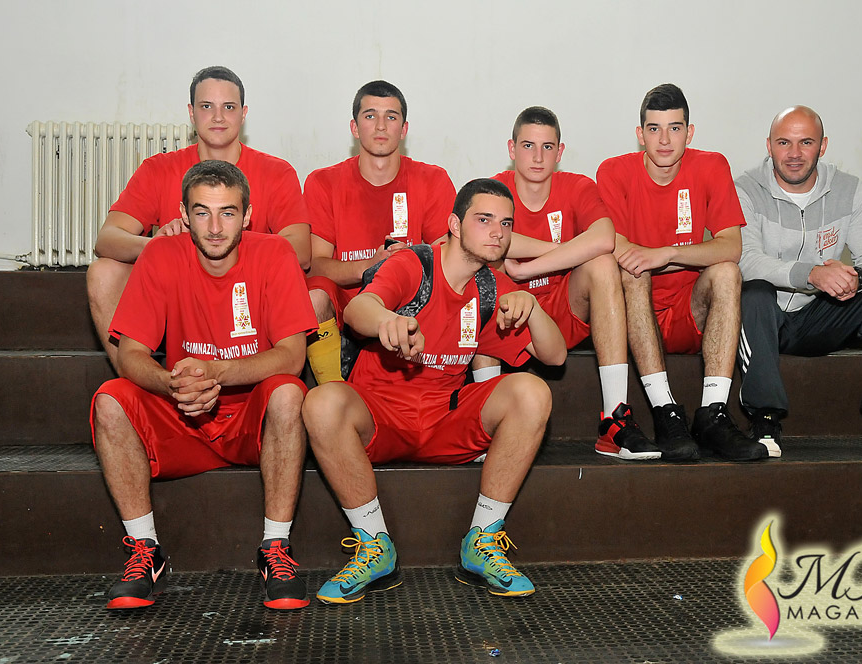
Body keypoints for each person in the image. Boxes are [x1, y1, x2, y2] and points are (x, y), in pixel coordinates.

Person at [302, 178, 567, 603]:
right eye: (484, 220)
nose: (497, 232)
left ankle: (482, 539)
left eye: (505, 223)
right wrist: (388, 321)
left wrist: (533, 307)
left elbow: (554, 356)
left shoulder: (490, 287)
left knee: (533, 392)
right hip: (380, 419)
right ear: (455, 225)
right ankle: (374, 545)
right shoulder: (414, 265)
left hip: (443, 421)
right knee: (320, 402)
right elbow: (357, 309)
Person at [90, 161, 317, 611]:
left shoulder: (275, 253)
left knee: (290, 393)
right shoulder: (161, 254)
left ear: (247, 215)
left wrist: (216, 372)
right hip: (185, 413)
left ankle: (275, 548)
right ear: (183, 213)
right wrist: (172, 382)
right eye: (202, 212)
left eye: (227, 213)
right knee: (110, 399)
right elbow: (131, 353)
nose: (215, 228)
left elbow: (292, 356)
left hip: (250, 419)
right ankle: (145, 552)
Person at [87, 66, 311, 371]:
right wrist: (159, 245)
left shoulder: (276, 172)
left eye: (228, 107)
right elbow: (107, 238)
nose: (218, 117)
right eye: (207, 106)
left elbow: (301, 250)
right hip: (179, 301)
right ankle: (140, 382)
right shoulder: (159, 169)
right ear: (191, 113)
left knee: (311, 294)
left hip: (244, 297)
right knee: (102, 272)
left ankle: (258, 380)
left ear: (243, 114)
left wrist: (226, 246)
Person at [736, 105, 862, 455]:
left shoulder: (848, 189)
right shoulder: (745, 189)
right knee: (753, 293)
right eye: (784, 142)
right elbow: (746, 260)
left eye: (806, 142)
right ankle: (764, 418)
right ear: (769, 145)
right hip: (767, 318)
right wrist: (811, 274)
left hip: (823, 315)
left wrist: (858, 277)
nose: (794, 153)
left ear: (822, 146)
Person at [597, 83, 769, 462]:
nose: (664, 140)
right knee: (632, 272)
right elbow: (615, 245)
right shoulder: (614, 171)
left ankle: (713, 415)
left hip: (689, 311)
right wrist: (653, 259)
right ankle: (666, 413)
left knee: (726, 272)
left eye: (674, 128)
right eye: (654, 129)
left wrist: (667, 253)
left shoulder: (711, 165)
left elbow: (731, 246)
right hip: (634, 316)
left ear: (689, 133)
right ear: (640, 134)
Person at [486, 106, 660, 460]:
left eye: (547, 147)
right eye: (528, 146)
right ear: (512, 149)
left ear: (560, 152)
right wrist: (563, 250)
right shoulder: (493, 190)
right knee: (481, 269)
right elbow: (486, 241)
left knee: (602, 264)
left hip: (559, 313)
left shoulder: (577, 186)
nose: (538, 157)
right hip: (507, 319)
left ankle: (614, 421)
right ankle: (483, 425)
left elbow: (604, 238)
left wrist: (526, 269)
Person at [303, 80, 456, 385]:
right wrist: (371, 266)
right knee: (314, 294)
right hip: (346, 308)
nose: (381, 125)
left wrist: (410, 262)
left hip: (409, 304)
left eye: (391, 116)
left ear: (404, 129)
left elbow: (449, 256)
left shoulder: (433, 179)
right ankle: (335, 390)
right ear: (355, 127)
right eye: (370, 115)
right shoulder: (323, 182)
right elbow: (314, 265)